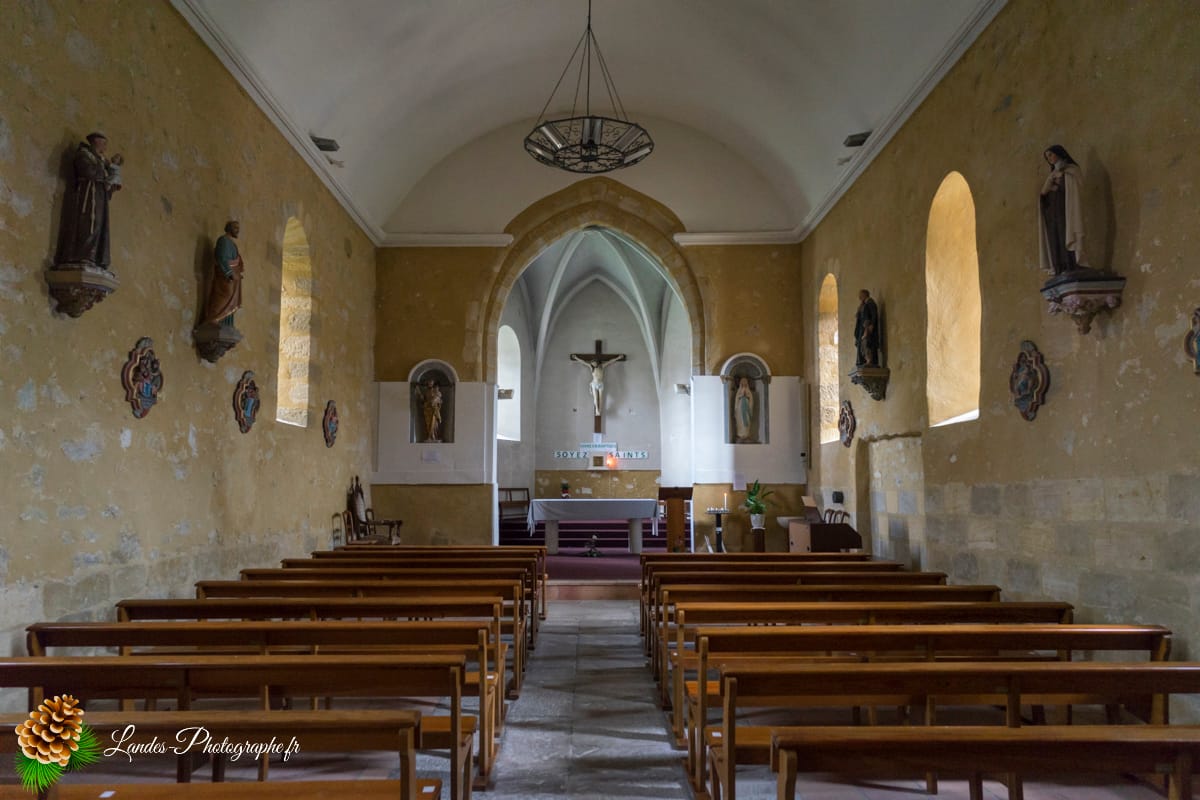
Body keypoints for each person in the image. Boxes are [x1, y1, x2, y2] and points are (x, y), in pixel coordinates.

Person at [55, 132, 124, 272]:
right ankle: (82, 255)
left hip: (99, 197)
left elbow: (105, 182)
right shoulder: (84, 155)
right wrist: (106, 175)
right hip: (87, 197)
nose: (105, 146)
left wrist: (110, 184)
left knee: (99, 226)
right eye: (103, 142)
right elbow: (87, 171)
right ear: (95, 141)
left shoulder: (102, 161)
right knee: (88, 224)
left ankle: (94, 256)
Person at [1038, 144, 1090, 277]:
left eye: (1050, 154)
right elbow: (1044, 195)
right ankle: (1060, 266)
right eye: (1047, 157)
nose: (1049, 158)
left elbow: (1075, 190)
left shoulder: (1071, 171)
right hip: (1054, 212)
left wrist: (1059, 185)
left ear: (1059, 153)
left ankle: (1072, 264)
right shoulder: (1052, 175)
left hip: (1067, 211)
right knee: (1056, 238)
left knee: (1067, 234)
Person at [201, 221, 244, 328]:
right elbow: (221, 258)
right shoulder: (223, 241)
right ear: (229, 228)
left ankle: (225, 323)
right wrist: (229, 273)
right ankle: (213, 318)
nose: (237, 230)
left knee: (231, 299)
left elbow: (235, 261)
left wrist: (236, 272)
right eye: (235, 227)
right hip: (224, 276)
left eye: (238, 228)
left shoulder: (233, 244)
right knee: (223, 295)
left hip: (233, 277)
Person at [569, 352, 626, 416]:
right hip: (594, 384)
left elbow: (610, 361)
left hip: (600, 384)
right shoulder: (591, 367)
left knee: (601, 398)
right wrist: (576, 358)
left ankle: (600, 410)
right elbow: (583, 362)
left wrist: (618, 358)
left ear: (597, 362)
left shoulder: (602, 366)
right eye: (592, 363)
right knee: (595, 398)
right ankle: (597, 410)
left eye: (593, 362)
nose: (592, 363)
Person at [854, 289, 880, 367]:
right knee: (863, 345)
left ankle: (869, 360)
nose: (859, 297)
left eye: (860, 295)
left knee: (867, 344)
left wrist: (870, 326)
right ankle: (865, 360)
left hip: (867, 329)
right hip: (863, 329)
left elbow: (872, 316)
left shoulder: (870, 303)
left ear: (865, 295)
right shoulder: (864, 305)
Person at [734, 376, 755, 442]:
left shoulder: (748, 391)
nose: (744, 384)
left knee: (747, 421)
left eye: (745, 382)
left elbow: (751, 399)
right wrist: (741, 395)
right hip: (740, 408)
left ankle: (746, 435)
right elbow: (736, 400)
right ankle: (740, 434)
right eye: (742, 382)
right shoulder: (739, 391)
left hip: (747, 408)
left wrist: (747, 396)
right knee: (740, 421)